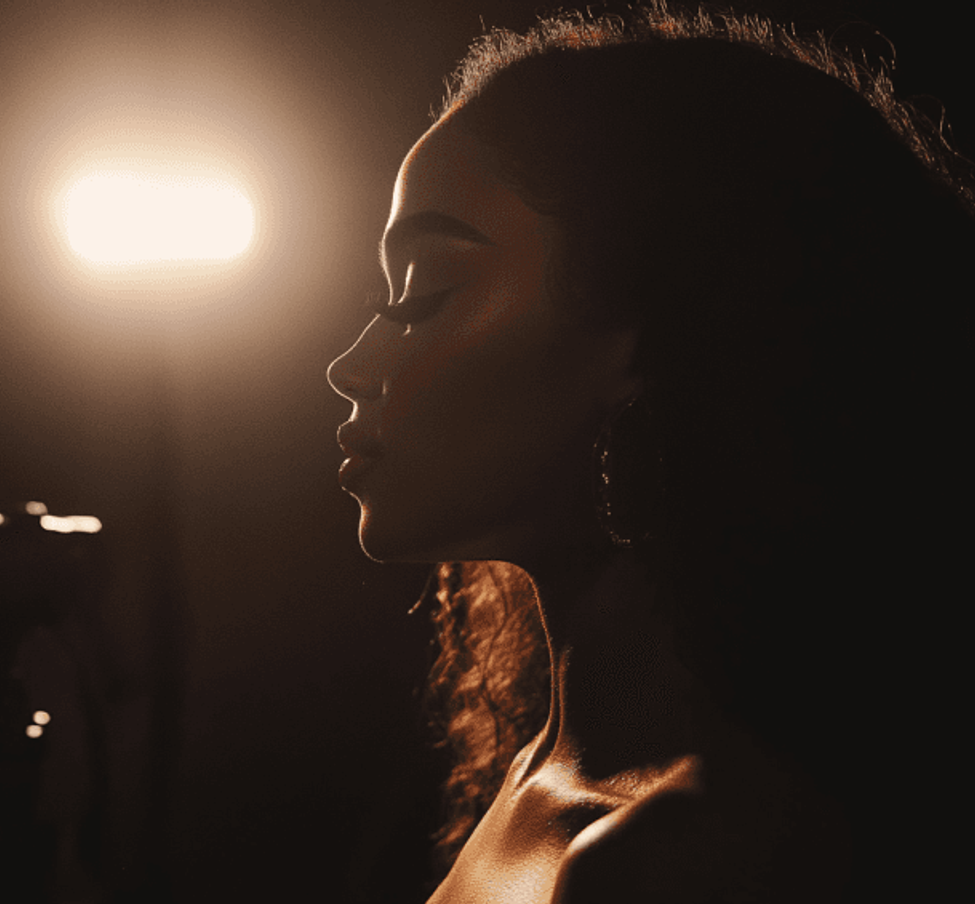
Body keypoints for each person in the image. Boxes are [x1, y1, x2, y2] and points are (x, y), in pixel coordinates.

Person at [328, 3, 973, 902]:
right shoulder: (535, 771)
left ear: (649, 336)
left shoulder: (680, 862)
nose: (352, 365)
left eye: (424, 293)